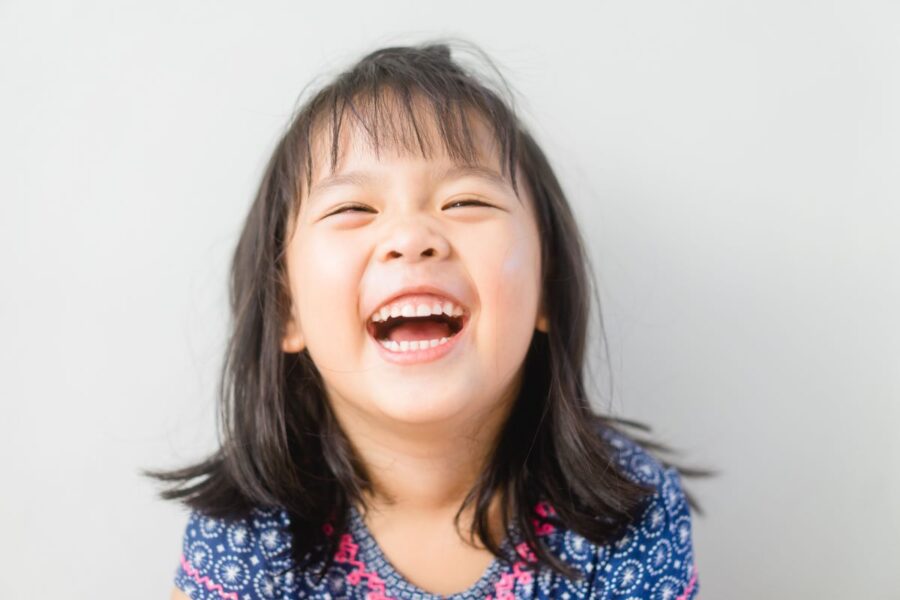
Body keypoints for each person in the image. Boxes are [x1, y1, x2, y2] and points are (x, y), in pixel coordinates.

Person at [147, 39, 703, 600]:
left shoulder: (628, 513)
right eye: (352, 209)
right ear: (287, 307)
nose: (411, 237)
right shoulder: (249, 533)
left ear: (546, 291)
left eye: (465, 202)